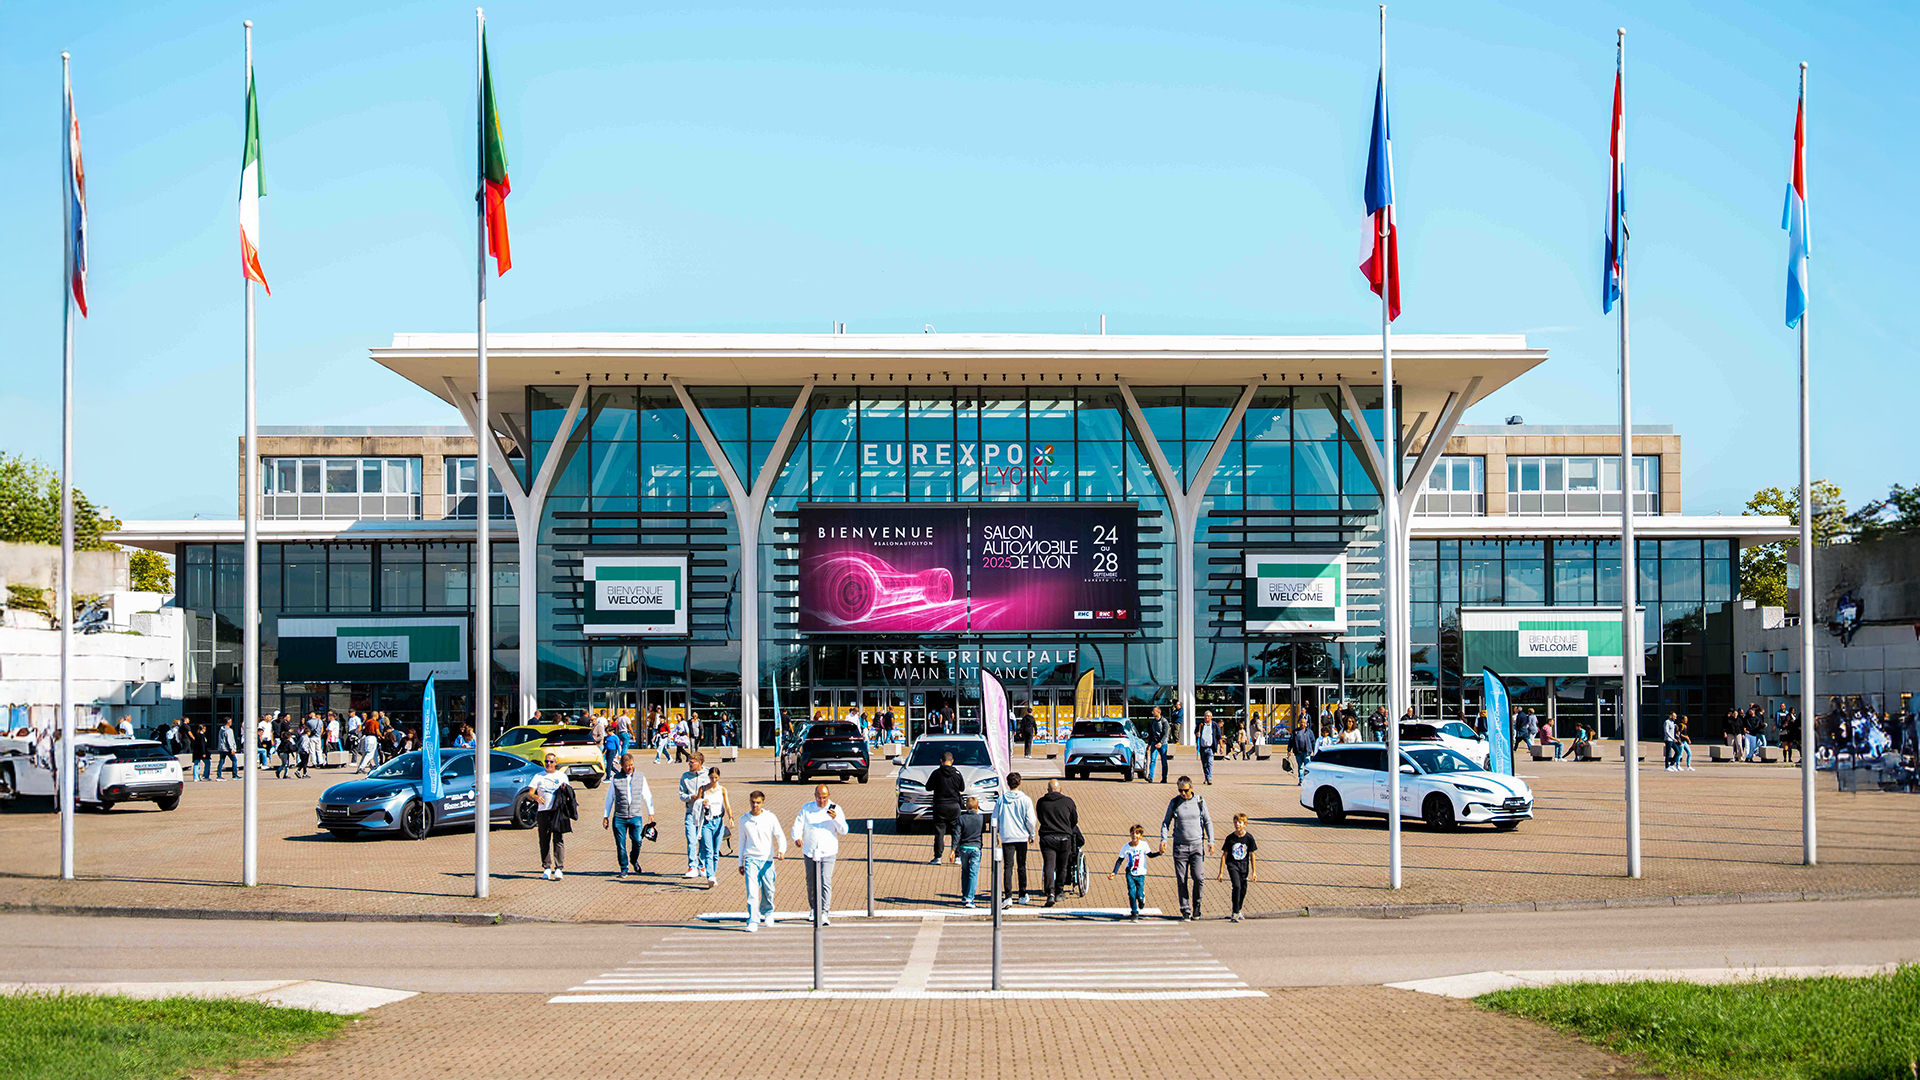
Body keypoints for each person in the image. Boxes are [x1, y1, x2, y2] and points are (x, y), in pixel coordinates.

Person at [790, 783, 848, 924]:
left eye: (824, 798)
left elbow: (844, 830)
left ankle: (824, 912)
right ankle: (814, 908)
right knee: (811, 882)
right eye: (819, 798)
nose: (821, 801)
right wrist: (797, 837)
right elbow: (798, 824)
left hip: (828, 851)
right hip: (810, 851)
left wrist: (836, 818)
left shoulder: (835, 809)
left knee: (825, 881)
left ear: (828, 796)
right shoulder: (807, 808)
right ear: (814, 796)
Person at [1159, 775, 1214, 921]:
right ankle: (1185, 909)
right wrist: (1163, 840)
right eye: (1180, 790)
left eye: (1185, 790)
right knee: (1182, 879)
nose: (1183, 793)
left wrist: (1211, 841)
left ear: (1191, 788)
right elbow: (1166, 822)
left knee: (1198, 877)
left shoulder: (1200, 801)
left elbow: (1207, 822)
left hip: (1197, 846)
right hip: (1180, 847)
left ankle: (1197, 905)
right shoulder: (1175, 802)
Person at [601, 752, 656, 879]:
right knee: (621, 844)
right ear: (621, 765)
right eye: (627, 766)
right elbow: (610, 798)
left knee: (637, 840)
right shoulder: (616, 779)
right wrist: (606, 816)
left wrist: (651, 813)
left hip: (635, 815)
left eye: (631, 765)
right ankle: (623, 868)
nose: (629, 768)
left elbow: (647, 795)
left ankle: (633, 859)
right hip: (619, 816)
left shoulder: (640, 777)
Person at [736, 789, 785, 930]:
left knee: (768, 889)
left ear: (763, 803)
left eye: (758, 803)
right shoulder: (744, 820)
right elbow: (742, 842)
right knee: (752, 891)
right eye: (753, 802)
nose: (755, 805)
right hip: (751, 858)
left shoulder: (770, 817)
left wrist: (781, 850)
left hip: (767, 859)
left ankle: (768, 912)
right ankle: (753, 919)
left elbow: (779, 835)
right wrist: (741, 862)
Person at [527, 752, 574, 880]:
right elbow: (529, 793)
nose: (548, 764)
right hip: (543, 811)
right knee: (544, 840)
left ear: (556, 763)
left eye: (551, 762)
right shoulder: (538, 776)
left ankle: (559, 868)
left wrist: (565, 791)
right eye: (547, 761)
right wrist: (535, 797)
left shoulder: (562, 776)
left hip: (557, 812)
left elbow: (569, 794)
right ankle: (547, 867)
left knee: (558, 839)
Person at [993, 772, 1038, 906]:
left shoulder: (1001, 800)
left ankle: (1008, 896)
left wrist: (996, 834)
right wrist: (1032, 834)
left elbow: (995, 818)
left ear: (1008, 784)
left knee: (1008, 867)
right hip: (1021, 836)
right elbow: (1030, 820)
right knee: (1021, 866)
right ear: (1019, 783)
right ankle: (1022, 894)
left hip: (1007, 836)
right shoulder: (1025, 800)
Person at [1035, 778, 1079, 906]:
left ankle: (1050, 893)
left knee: (1049, 865)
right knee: (1062, 866)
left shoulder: (1041, 802)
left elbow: (1040, 818)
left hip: (1047, 837)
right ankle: (1060, 891)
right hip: (1064, 837)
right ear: (1060, 790)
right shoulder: (1068, 802)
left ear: (1048, 790)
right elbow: (1074, 820)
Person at [694, 766, 732, 887]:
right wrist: (702, 802)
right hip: (706, 821)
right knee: (708, 850)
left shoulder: (722, 790)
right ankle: (710, 875)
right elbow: (696, 804)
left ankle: (713, 875)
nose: (713, 780)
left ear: (719, 777)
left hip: (718, 821)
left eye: (716, 778)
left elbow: (727, 805)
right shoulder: (703, 789)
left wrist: (731, 817)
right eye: (711, 778)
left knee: (716, 851)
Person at [1217, 812, 1258, 922]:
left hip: (1244, 866)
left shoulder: (1249, 838)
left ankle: (1239, 909)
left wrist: (1254, 872)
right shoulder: (1230, 838)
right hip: (1232, 865)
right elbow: (1224, 855)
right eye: (1235, 822)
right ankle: (1235, 913)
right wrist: (1220, 872)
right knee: (1237, 886)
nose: (1237, 825)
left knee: (1243, 889)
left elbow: (1252, 855)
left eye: (1239, 822)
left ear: (1245, 824)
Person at [927, 750, 965, 864]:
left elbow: (928, 787)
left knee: (939, 832)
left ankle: (938, 857)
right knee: (956, 832)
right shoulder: (957, 774)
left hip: (940, 806)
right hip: (954, 806)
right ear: (952, 761)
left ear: (941, 761)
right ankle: (957, 856)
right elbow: (962, 788)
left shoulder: (936, 773)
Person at [1108, 824, 1151, 921]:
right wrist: (1114, 872)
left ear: (1141, 835)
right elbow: (1120, 860)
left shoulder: (1144, 845)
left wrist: (1160, 853)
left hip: (1140, 873)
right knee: (1131, 893)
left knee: (1139, 894)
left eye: (1137, 833)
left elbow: (1150, 855)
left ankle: (1141, 898)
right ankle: (1134, 912)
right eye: (1132, 833)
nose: (1134, 835)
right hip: (1130, 873)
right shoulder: (1126, 847)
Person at [953, 796, 986, 908]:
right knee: (973, 873)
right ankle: (969, 898)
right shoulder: (981, 818)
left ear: (966, 807)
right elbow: (982, 831)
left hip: (963, 848)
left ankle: (964, 895)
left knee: (965, 871)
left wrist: (953, 849)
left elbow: (957, 835)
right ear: (977, 807)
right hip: (976, 847)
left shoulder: (961, 819)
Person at [678, 751, 707, 878]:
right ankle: (692, 866)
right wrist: (690, 797)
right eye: (689, 762)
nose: (689, 764)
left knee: (703, 840)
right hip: (690, 812)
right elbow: (681, 795)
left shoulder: (708, 775)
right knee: (691, 839)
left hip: (704, 813)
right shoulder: (685, 776)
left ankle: (702, 865)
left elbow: (714, 790)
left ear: (699, 763)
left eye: (692, 762)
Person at [1195, 711, 1220, 785]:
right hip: (1202, 747)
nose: (1206, 717)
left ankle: (1209, 778)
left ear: (1211, 717)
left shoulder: (1214, 725)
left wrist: (1219, 745)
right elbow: (1196, 732)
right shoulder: (1201, 724)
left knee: (1209, 763)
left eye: (1208, 716)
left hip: (1210, 748)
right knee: (1204, 764)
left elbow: (1218, 735)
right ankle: (1206, 777)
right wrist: (1197, 734)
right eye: (1205, 716)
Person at [1145, 706, 1168, 784]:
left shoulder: (1164, 721)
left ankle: (1164, 778)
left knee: (1164, 762)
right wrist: (1149, 744)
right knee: (1152, 760)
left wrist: (1161, 743)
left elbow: (1166, 734)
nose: (1152, 713)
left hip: (1163, 744)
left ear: (1159, 712)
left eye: (1154, 711)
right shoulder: (1153, 722)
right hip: (1154, 743)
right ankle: (1150, 777)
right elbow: (1151, 733)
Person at [1291, 718, 1314, 783]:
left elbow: (1313, 741)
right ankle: (1301, 780)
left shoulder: (1309, 732)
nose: (1302, 724)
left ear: (1306, 724)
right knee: (1300, 766)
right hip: (1298, 752)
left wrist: (1314, 751)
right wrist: (1289, 750)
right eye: (1301, 722)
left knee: (1307, 767)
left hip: (1307, 752)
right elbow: (1291, 741)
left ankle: (1307, 780)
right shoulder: (1295, 732)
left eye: (1304, 723)